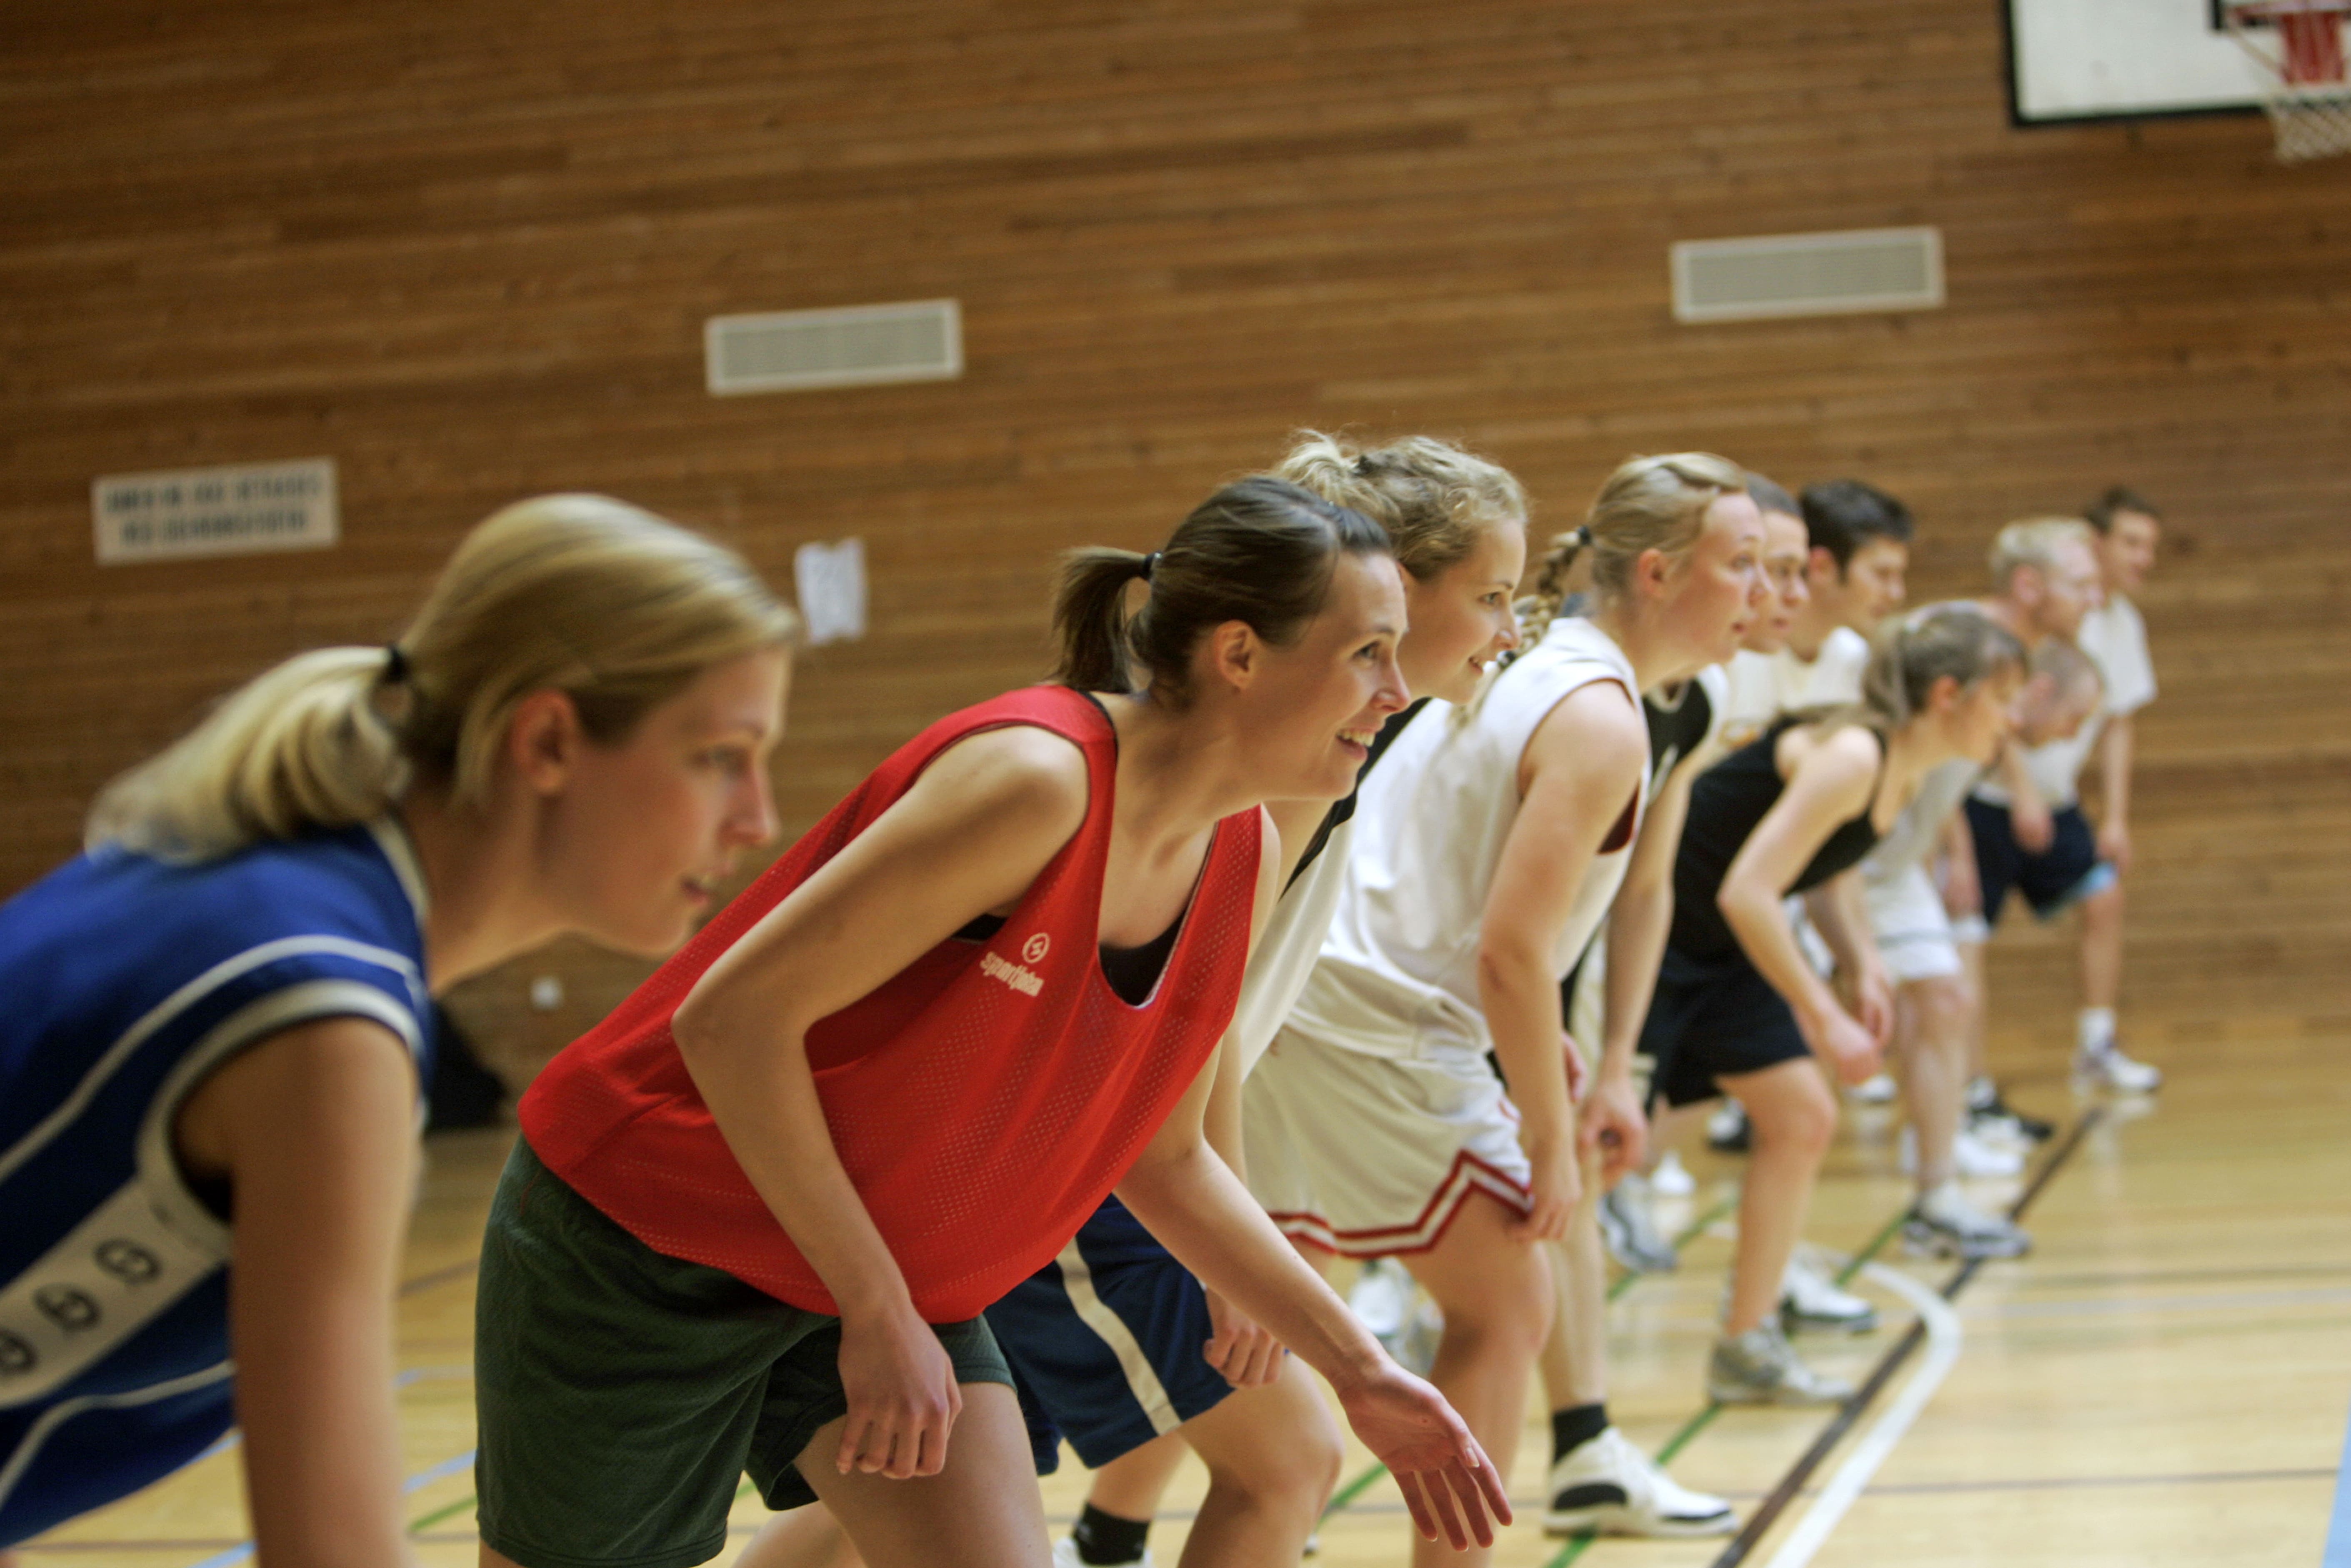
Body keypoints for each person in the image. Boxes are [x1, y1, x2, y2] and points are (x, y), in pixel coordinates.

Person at [473, 479, 1512, 1568]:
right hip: (647, 1245)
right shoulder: (1034, 781)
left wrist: (1362, 1372)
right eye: (1366, 653)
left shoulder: (1243, 849)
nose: (1396, 691)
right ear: (1239, 654)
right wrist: (875, 1312)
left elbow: (1164, 1157)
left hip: (877, 1278)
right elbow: (729, 1021)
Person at [762, 435, 1533, 1568]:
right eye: (1495, 597)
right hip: (1081, 1155)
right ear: (1394, 596)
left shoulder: (1324, 753)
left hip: (1106, 1150)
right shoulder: (1225, 767)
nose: (1511, 631)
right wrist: (1236, 1239)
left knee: (896, 1482)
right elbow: (1194, 1027)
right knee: (1285, 1461)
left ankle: (1109, 1531)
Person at [0, 495, 800, 1567]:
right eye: (719, 755)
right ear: (550, 740)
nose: (758, 818)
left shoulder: (239, 884)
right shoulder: (319, 1019)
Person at [1247, 453, 1767, 1567]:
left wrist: (1572, 1072)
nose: (1765, 593)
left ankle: (1116, 1533)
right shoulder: (1597, 712)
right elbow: (1511, 953)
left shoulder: (1535, 664)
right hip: (1374, 1024)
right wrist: (1545, 1131)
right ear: (1661, 572)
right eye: (1746, 564)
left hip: (1295, 1008)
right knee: (1507, 1300)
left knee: (1266, 1379)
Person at [1642, 605, 2028, 1404]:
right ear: (1949, 695)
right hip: (1659, 937)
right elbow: (1748, 889)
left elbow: (1822, 864)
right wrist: (1822, 1011)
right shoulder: (1854, 753)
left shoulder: (1902, 768)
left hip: (1723, 945)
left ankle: (1745, 1346)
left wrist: (1862, 962)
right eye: (2004, 697)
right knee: (1598, 1156)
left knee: (1800, 1117)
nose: (2014, 718)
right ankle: (1435, 1294)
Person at [1952, 516, 2157, 1096]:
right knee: (1952, 949)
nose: (2093, 599)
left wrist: (2114, 816)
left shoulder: (2066, 641)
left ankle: (2088, 1047)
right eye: (2080, 583)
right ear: (2028, 586)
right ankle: (1966, 1098)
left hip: (2047, 803)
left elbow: (2111, 721)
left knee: (2099, 895)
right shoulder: (1972, 638)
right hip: (1972, 809)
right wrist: (2010, 795)